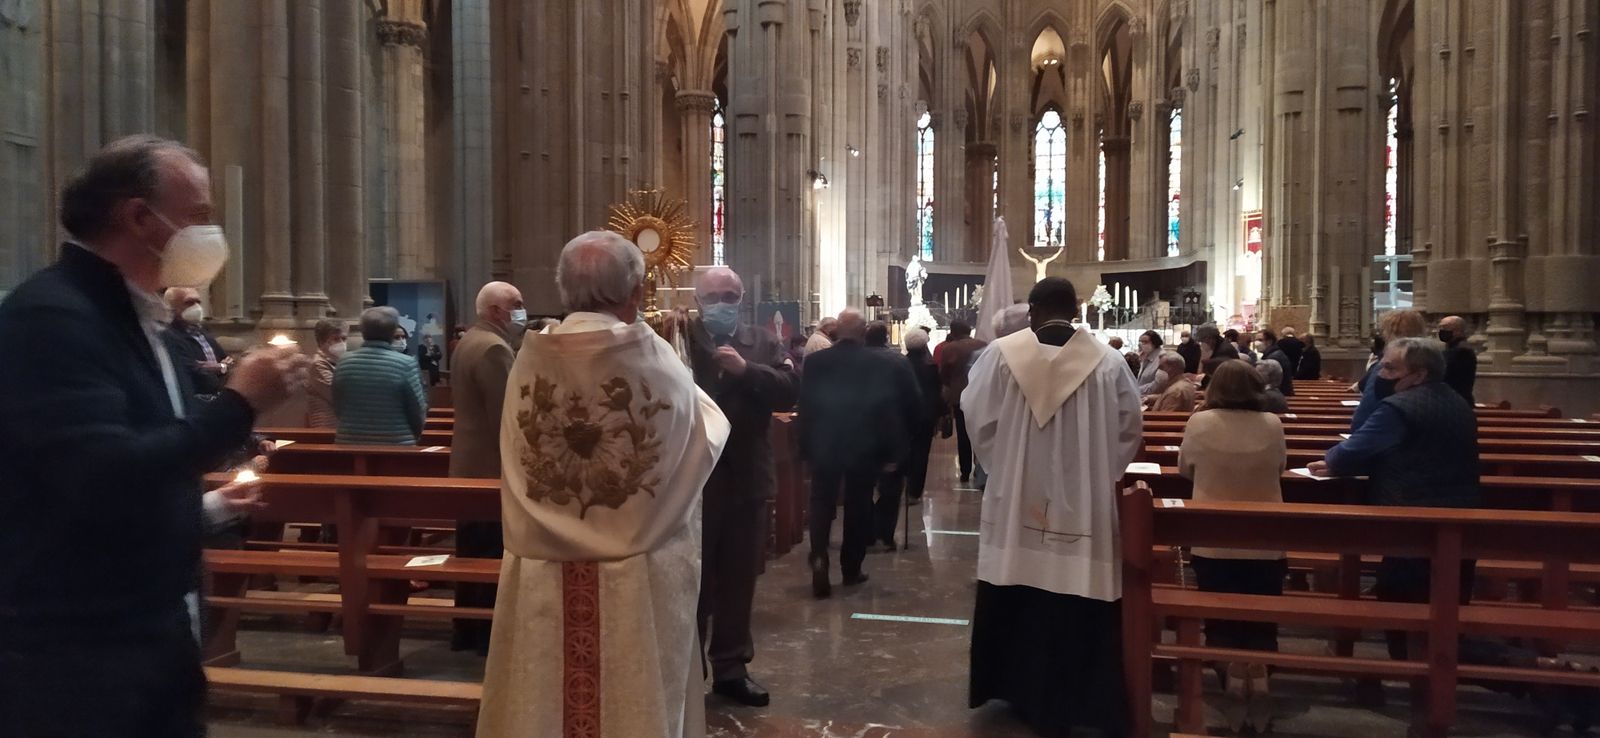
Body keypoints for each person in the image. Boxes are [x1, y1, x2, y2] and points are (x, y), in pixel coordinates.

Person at [0, 135, 307, 736]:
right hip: (75, 654)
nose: (210, 234)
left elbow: (140, 472)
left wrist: (212, 507)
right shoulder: (53, 317)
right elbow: (100, 476)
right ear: (141, 218)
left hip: (150, 637)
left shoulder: (143, 324)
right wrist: (240, 405)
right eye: (197, 215)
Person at [478, 231, 728, 737]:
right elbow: (701, 432)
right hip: (634, 570)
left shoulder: (529, 359)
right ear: (635, 292)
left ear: (563, 290)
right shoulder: (653, 358)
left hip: (544, 566)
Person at [963, 277, 1143, 737]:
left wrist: (1003, 465)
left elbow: (976, 416)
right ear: (1078, 308)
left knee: (1017, 578)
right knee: (1077, 582)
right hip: (1083, 503)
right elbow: (1128, 429)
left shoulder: (1002, 357)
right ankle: (1080, 694)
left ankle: (1013, 684)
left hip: (1017, 498)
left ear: (1035, 309)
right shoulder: (1109, 362)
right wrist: (1098, 474)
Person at [1312, 338, 1480, 662]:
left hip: (1412, 517)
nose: (1381, 374)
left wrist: (1333, 458)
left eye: (1390, 368)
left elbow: (1354, 449)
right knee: (1447, 605)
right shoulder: (1457, 402)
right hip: (1460, 512)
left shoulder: (1399, 408)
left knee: (1402, 602)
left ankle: (1417, 676)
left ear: (1418, 374)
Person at [684, 266, 798, 707]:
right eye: (713, 297)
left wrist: (747, 370)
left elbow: (790, 389)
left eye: (730, 296)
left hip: (747, 476)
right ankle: (689, 667)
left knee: (737, 580)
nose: (722, 305)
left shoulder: (762, 341)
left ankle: (731, 668)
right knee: (691, 582)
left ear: (743, 297)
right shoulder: (681, 339)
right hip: (692, 482)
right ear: (697, 301)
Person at [1178, 359, 1287, 732]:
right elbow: (1281, 466)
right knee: (1261, 609)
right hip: (1266, 537)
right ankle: (1259, 667)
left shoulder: (1200, 422)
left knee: (1220, 608)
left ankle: (1228, 670)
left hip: (1214, 537)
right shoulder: (1272, 423)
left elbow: (1185, 468)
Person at [797, 308, 920, 598]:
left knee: (821, 501)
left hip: (825, 442)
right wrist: (895, 450)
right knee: (858, 504)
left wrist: (804, 446)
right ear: (863, 331)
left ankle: (818, 556)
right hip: (862, 444)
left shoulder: (816, 361)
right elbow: (886, 407)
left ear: (837, 330)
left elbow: (806, 405)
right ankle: (851, 568)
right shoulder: (876, 363)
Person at [447, 281, 525, 654]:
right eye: (517, 304)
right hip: (488, 467)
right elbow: (507, 415)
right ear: (496, 310)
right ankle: (483, 634)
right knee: (487, 551)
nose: (522, 311)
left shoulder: (469, 341)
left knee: (470, 548)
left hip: (467, 462)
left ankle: (465, 628)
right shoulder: (494, 348)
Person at [333, 307, 428, 445]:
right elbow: (417, 410)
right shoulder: (406, 364)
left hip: (350, 442)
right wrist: (414, 435)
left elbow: (338, 405)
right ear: (391, 332)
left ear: (363, 331)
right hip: (396, 443)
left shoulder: (344, 362)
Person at [1350, 309, 1428, 431]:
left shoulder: (1386, 368)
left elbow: (1363, 417)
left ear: (1389, 332)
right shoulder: (1431, 365)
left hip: (1383, 436)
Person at [897, 329, 946, 506]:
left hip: (903, 415)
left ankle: (902, 483)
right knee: (921, 453)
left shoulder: (900, 364)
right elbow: (936, 392)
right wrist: (940, 414)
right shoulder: (931, 367)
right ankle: (914, 491)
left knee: (905, 449)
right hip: (925, 416)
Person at [937, 320, 987, 483]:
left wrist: (947, 389)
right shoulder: (983, 344)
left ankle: (965, 470)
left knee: (963, 434)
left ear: (953, 332)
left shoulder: (949, 348)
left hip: (960, 395)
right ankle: (981, 468)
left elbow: (944, 373)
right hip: (981, 393)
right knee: (981, 432)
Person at [161, 286, 230, 398]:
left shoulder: (203, 332)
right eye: (189, 302)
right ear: (171, 307)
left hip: (217, 396)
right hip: (195, 399)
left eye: (198, 302)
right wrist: (221, 367)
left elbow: (228, 361)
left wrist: (219, 367)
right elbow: (189, 369)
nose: (197, 307)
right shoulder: (168, 335)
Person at [307, 318, 347, 428]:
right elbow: (336, 394)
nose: (341, 343)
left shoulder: (338, 362)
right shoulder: (318, 364)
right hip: (325, 425)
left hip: (339, 424)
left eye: (344, 338)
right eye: (335, 339)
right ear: (321, 342)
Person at [1439, 315, 1477, 404]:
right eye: (1440, 327)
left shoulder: (1462, 351)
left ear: (1458, 331)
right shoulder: (1452, 348)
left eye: (1445, 327)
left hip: (1456, 400)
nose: (1441, 331)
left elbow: (1444, 373)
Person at [1262, 328, 1304, 396]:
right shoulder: (1298, 343)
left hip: (1279, 393)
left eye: (1261, 340)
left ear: (1269, 341)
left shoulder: (1274, 357)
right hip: (1292, 374)